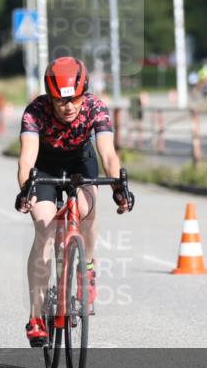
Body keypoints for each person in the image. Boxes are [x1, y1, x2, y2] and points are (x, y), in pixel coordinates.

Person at [14, 57, 134, 347]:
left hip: (82, 161)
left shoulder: (95, 108)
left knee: (86, 209)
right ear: (50, 97)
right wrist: (25, 190)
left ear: (84, 94)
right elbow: (27, 157)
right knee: (44, 230)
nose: (68, 107)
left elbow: (107, 153)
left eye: (74, 100)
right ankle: (36, 317)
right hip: (44, 165)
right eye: (60, 101)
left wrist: (119, 186)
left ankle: (88, 267)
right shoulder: (35, 112)